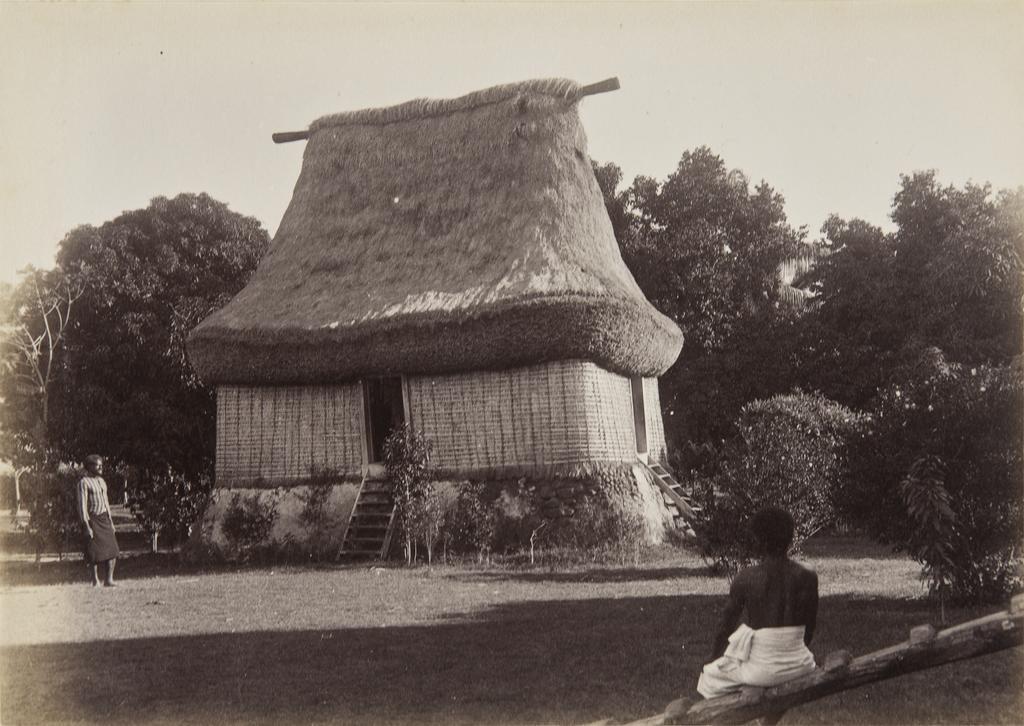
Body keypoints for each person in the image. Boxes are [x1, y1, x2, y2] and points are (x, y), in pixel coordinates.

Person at [696, 507, 818, 700]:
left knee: (710, 676)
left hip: (762, 669)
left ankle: (755, 691)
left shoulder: (746, 577)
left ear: (759, 540)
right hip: (801, 663)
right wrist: (790, 653)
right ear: (790, 537)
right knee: (768, 675)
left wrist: (712, 659)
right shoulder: (808, 575)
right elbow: (809, 628)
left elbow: (725, 627)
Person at [77, 455, 120, 587]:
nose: (101, 467)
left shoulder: (102, 481)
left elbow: (106, 501)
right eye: (97, 465)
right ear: (89, 467)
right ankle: (95, 581)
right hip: (92, 519)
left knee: (113, 550)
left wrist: (111, 521)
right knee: (93, 552)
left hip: (104, 518)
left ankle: (109, 580)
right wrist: (86, 524)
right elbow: (82, 505)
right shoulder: (83, 483)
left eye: (101, 464)